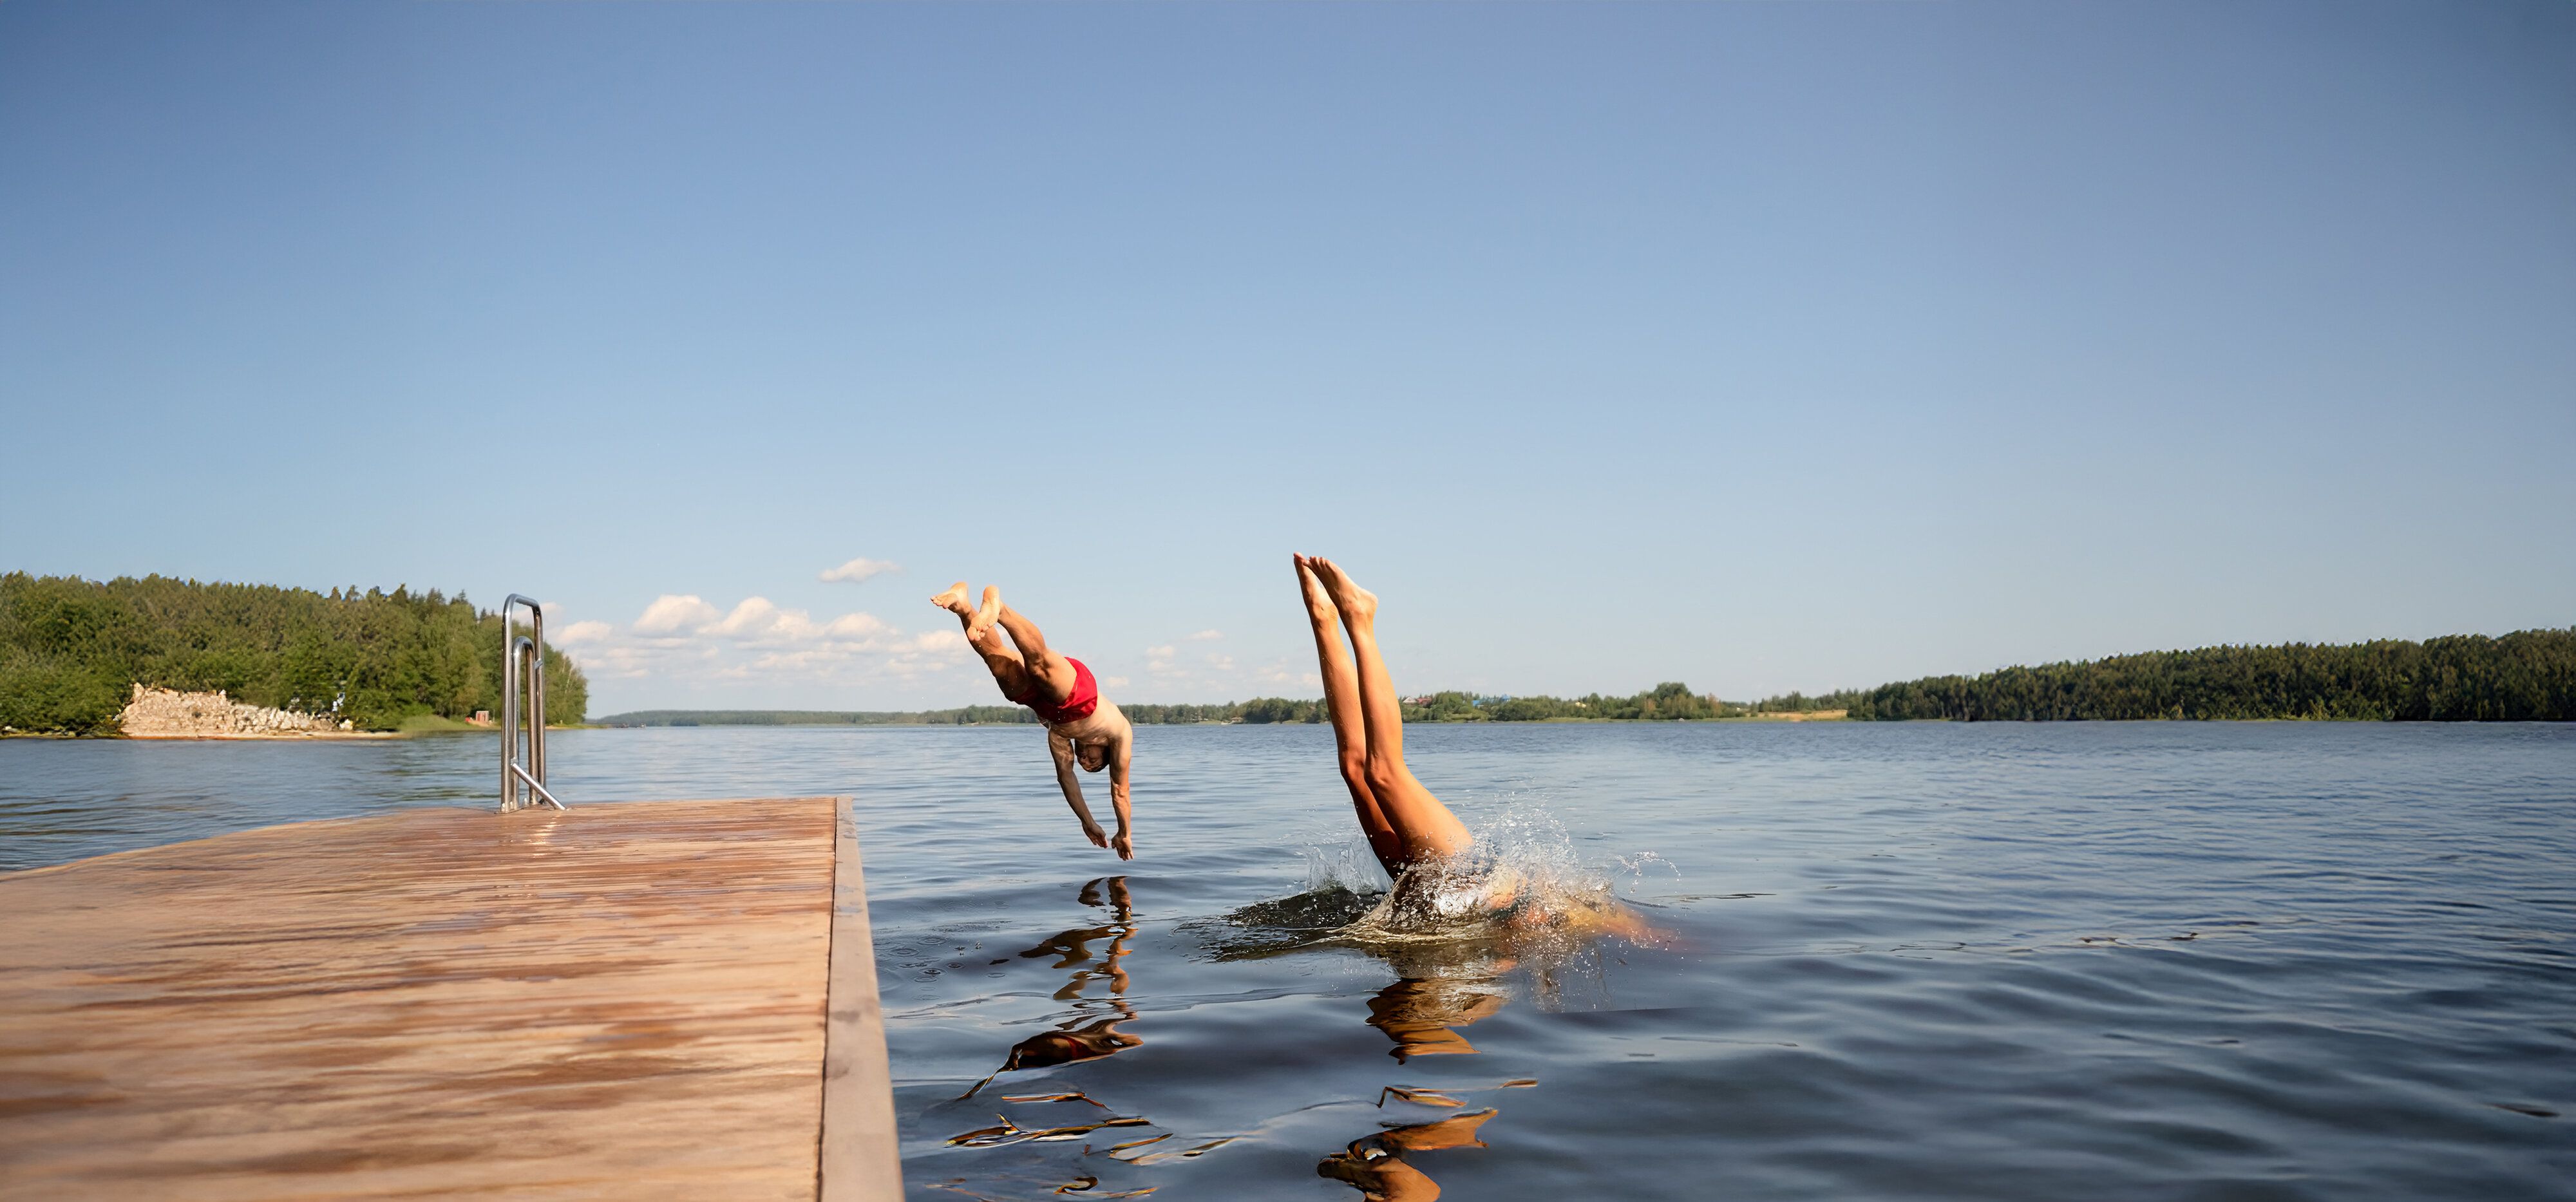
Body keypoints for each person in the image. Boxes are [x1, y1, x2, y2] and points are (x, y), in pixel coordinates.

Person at [1293, 555, 1476, 879]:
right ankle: (1360, 618)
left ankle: (1323, 620)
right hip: (1463, 876)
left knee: (1355, 768)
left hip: (1426, 892)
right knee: (1384, 773)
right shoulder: (1587, 916)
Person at [936, 582, 1135, 859]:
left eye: (1085, 766)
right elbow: (1120, 790)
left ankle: (961, 606)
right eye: (1093, 764)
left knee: (999, 663)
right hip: (1081, 696)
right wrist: (1124, 833)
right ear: (1102, 752)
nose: (1084, 763)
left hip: (1047, 708)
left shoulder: (1059, 736)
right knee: (1039, 665)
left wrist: (1087, 822)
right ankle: (1001, 610)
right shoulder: (1119, 732)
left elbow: (1066, 778)